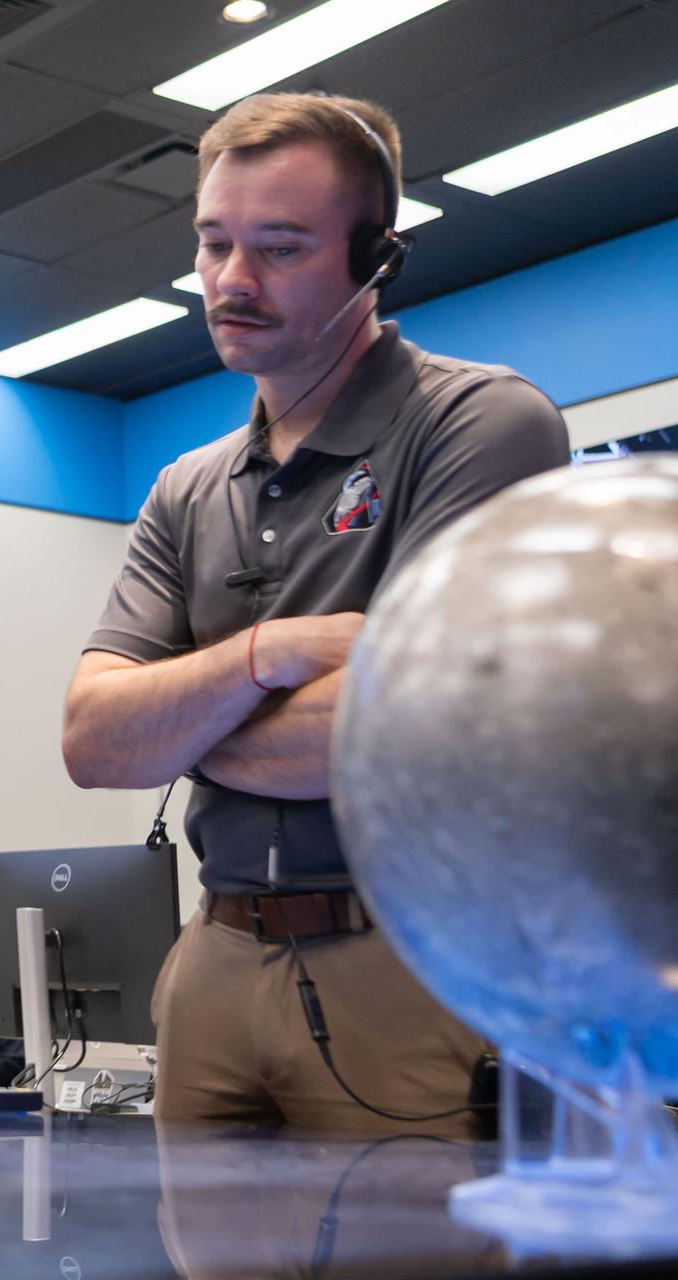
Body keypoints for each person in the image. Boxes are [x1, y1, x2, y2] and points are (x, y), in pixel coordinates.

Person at [62, 94, 568, 1134]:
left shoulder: (481, 423)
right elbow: (95, 739)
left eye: (279, 248)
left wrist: (191, 726)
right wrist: (270, 654)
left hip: (415, 957)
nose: (231, 281)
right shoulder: (184, 487)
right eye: (214, 243)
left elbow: (424, 724)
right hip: (213, 958)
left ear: (377, 258)